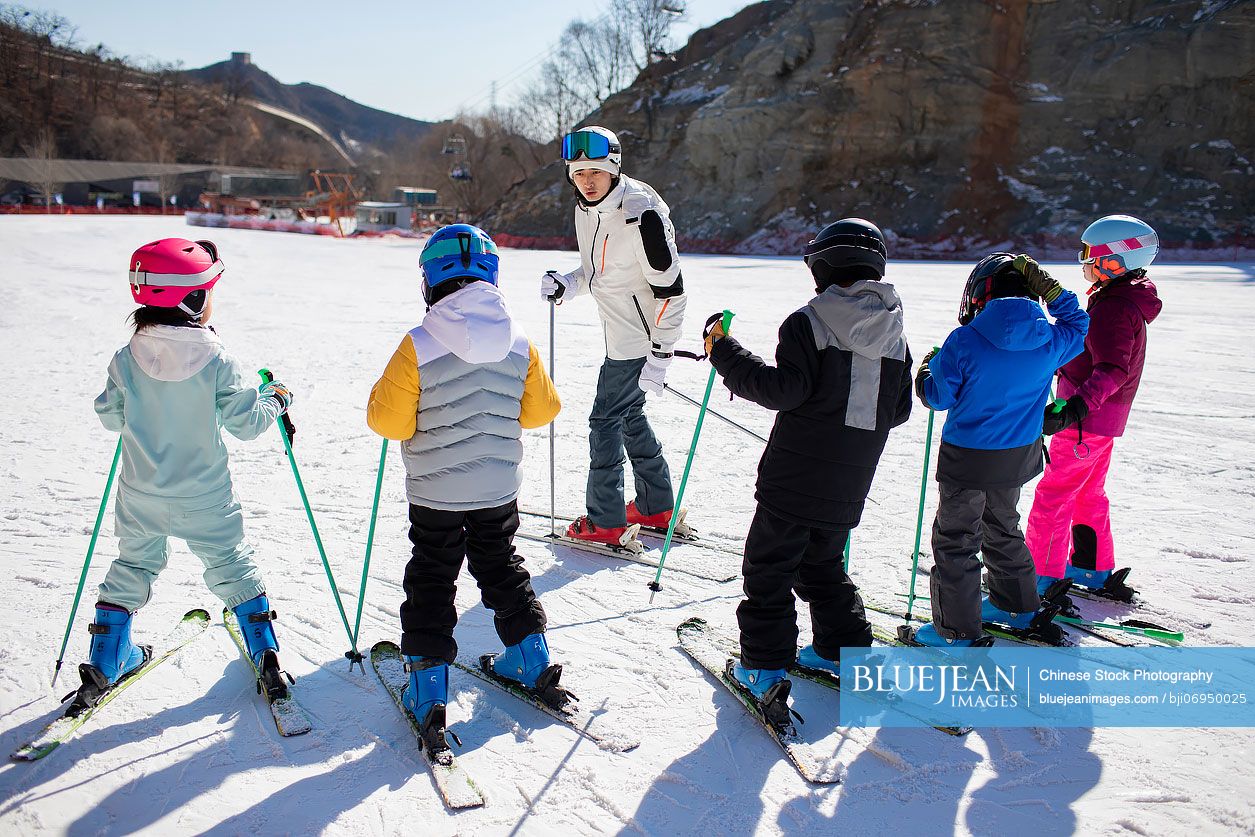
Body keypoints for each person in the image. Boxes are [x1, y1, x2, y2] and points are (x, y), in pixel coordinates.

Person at [704, 219, 911, 715]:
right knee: (820, 565)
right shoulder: (895, 331)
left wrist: (724, 351)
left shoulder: (809, 320)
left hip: (793, 479)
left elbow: (783, 390)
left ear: (822, 265)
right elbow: (899, 410)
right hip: (850, 482)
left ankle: (764, 667)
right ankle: (845, 652)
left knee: (769, 569)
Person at [367, 224, 562, 751]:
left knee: (433, 576)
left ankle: (429, 686)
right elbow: (543, 410)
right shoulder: (519, 341)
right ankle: (530, 654)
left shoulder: (419, 343)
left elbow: (388, 423)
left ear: (430, 280)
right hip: (498, 489)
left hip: (437, 494)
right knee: (501, 564)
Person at [83, 237, 294, 713]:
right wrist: (275, 397)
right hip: (205, 496)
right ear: (194, 299)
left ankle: (108, 656)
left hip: (141, 493)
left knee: (133, 565)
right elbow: (246, 424)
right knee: (231, 563)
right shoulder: (219, 360)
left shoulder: (126, 358)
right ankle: (266, 655)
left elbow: (110, 417)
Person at [913, 253, 1089, 647]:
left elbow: (939, 397)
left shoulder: (965, 339)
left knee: (957, 539)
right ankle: (1017, 605)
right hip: (1017, 457)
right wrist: (1055, 292)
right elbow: (1080, 324)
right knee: (1002, 526)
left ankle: (955, 630)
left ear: (980, 294)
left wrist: (926, 373)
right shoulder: (1051, 339)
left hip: (968, 459)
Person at [541, 126, 687, 546]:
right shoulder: (587, 209)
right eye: (578, 172)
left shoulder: (641, 215)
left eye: (595, 173)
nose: (586, 181)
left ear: (614, 168)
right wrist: (568, 283)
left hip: (639, 341)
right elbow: (598, 271)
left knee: (605, 420)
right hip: (621, 334)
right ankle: (655, 507)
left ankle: (605, 519)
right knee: (628, 416)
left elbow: (672, 290)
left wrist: (660, 354)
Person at [1025, 215, 1163, 602]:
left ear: (1115, 260)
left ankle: (1038, 576)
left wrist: (1075, 409)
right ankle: (1090, 565)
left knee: (1054, 495)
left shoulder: (1114, 308)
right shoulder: (1120, 299)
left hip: (1087, 421)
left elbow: (1112, 368)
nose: (1083, 262)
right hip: (1102, 422)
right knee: (1088, 493)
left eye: (1089, 255)